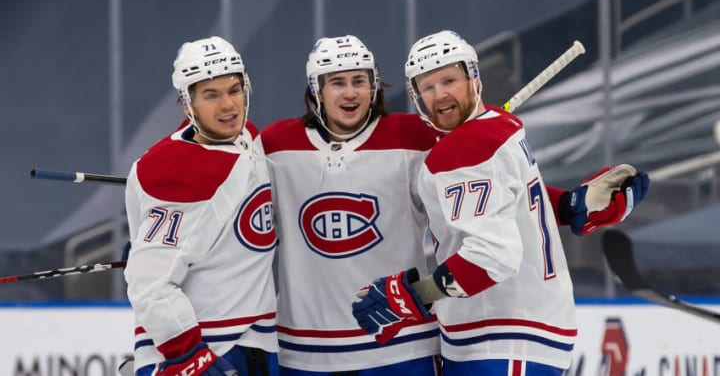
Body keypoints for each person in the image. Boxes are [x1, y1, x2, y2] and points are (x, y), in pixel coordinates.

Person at [351, 30, 650, 375]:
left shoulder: (464, 148)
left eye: (449, 80)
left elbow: (493, 256)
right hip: (527, 334)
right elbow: (514, 202)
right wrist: (569, 205)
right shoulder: (499, 126)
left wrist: (416, 294)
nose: (440, 95)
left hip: (500, 336)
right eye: (427, 87)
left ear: (473, 77)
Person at [260, 35, 442, 375]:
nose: (350, 92)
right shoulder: (276, 145)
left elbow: (480, 185)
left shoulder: (414, 137)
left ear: (374, 86)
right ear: (316, 89)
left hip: (401, 345)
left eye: (360, 81)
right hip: (305, 351)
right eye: (337, 82)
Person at [123, 36, 279, 376]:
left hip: (256, 342)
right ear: (187, 104)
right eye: (211, 95)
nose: (228, 106)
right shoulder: (175, 173)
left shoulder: (246, 137)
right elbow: (149, 284)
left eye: (234, 90)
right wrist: (187, 355)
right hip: (212, 350)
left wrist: (145, 246)